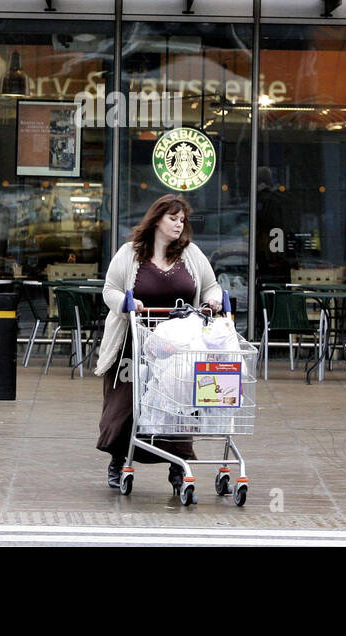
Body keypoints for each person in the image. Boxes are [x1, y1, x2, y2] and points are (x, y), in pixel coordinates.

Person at [95, 194, 223, 493]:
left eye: (182, 220)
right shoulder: (130, 253)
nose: (179, 225)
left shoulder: (191, 254)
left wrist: (212, 299)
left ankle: (179, 467)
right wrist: (127, 303)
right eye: (172, 219)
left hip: (178, 346)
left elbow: (211, 284)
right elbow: (110, 289)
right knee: (127, 404)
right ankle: (119, 459)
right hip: (135, 341)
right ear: (156, 220)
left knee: (177, 407)